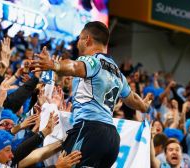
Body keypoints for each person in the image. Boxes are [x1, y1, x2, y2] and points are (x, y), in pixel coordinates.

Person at [31, 21, 153, 168]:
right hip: (112, 139)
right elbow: (132, 98)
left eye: (79, 38)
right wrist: (144, 106)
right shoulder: (118, 72)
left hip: (89, 130)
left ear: (87, 39)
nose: (77, 43)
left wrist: (54, 65)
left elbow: (74, 66)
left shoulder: (91, 60)